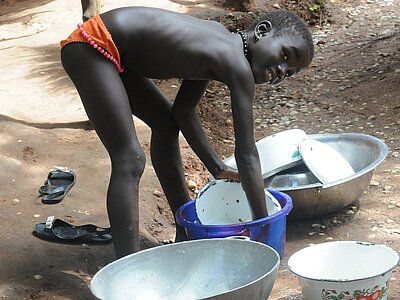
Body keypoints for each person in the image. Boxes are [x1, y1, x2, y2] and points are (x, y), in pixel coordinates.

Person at [60, 6, 314, 258]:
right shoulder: (236, 64)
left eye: (289, 72)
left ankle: (185, 228)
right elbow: (247, 154)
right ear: (262, 31)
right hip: (92, 46)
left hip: (112, 54)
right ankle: (128, 267)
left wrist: (216, 167)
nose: (282, 71)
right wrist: (263, 226)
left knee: (166, 125)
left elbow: (183, 112)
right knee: (130, 159)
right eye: (284, 56)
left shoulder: (222, 45)